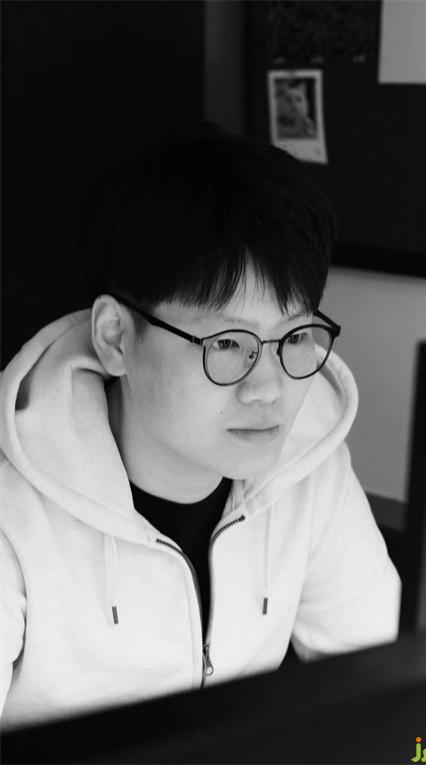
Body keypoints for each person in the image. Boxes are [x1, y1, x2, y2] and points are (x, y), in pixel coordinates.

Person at [0, 126, 400, 728]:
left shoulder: (308, 462)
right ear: (116, 338)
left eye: (294, 336)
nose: (268, 388)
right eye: (227, 343)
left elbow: (388, 689)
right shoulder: (12, 513)